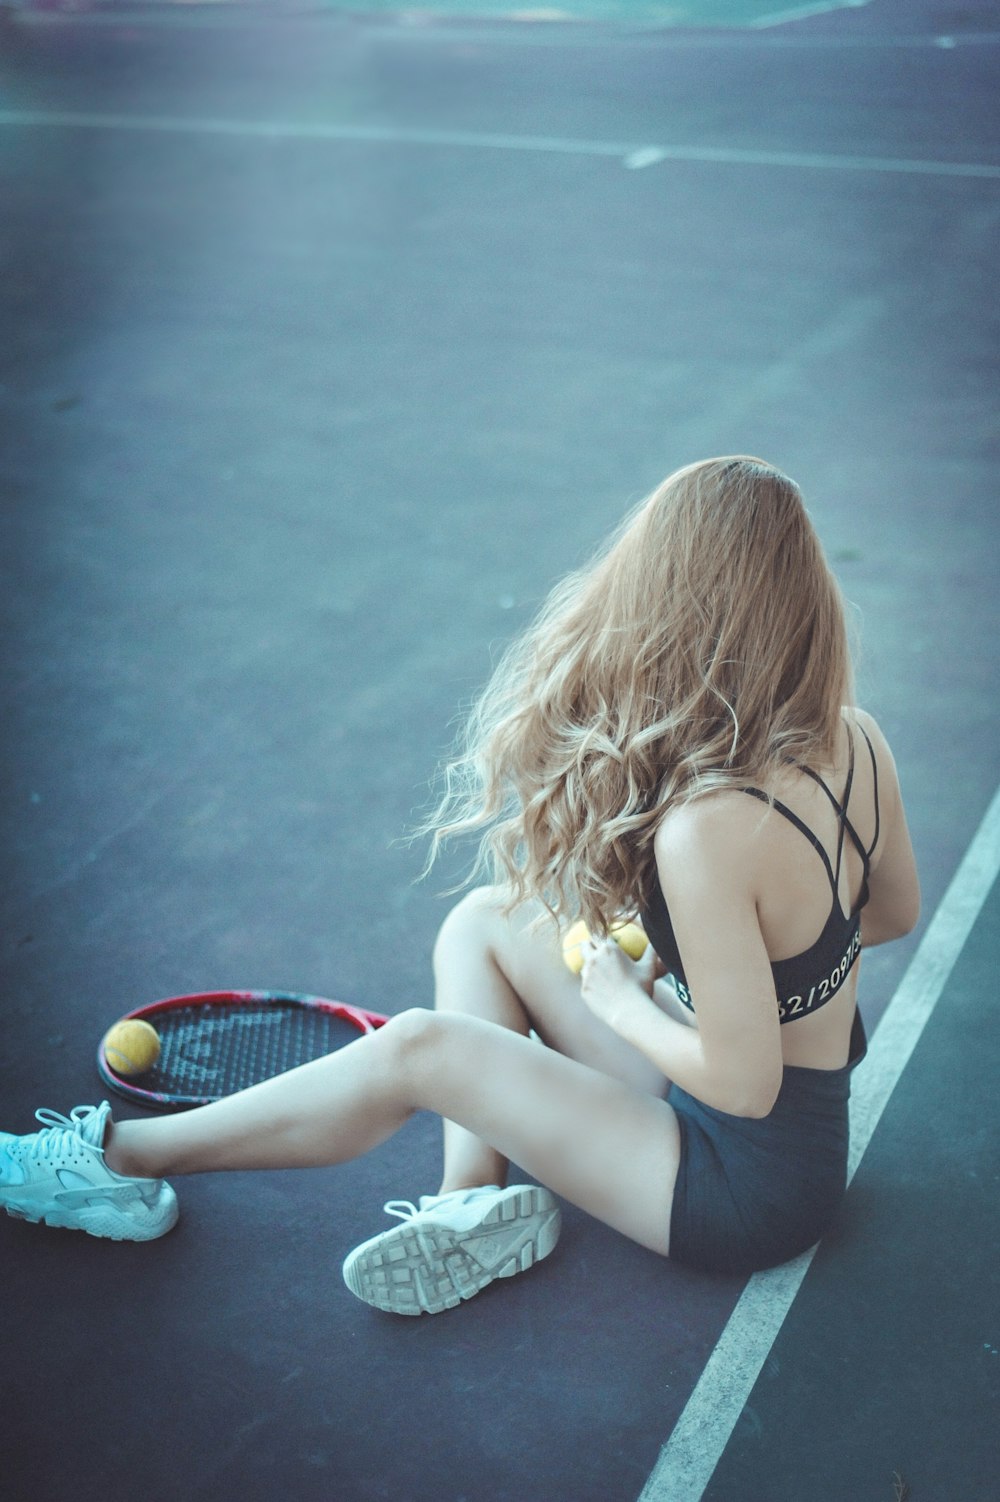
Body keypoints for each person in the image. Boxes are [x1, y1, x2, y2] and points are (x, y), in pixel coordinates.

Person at [0, 457, 920, 1313]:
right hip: (785, 1128)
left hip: (743, 1190)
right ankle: (466, 1208)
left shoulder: (705, 831)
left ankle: (117, 1165)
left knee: (421, 1051)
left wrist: (629, 1002)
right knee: (486, 921)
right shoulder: (855, 735)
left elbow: (748, 1084)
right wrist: (740, 984)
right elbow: (890, 914)